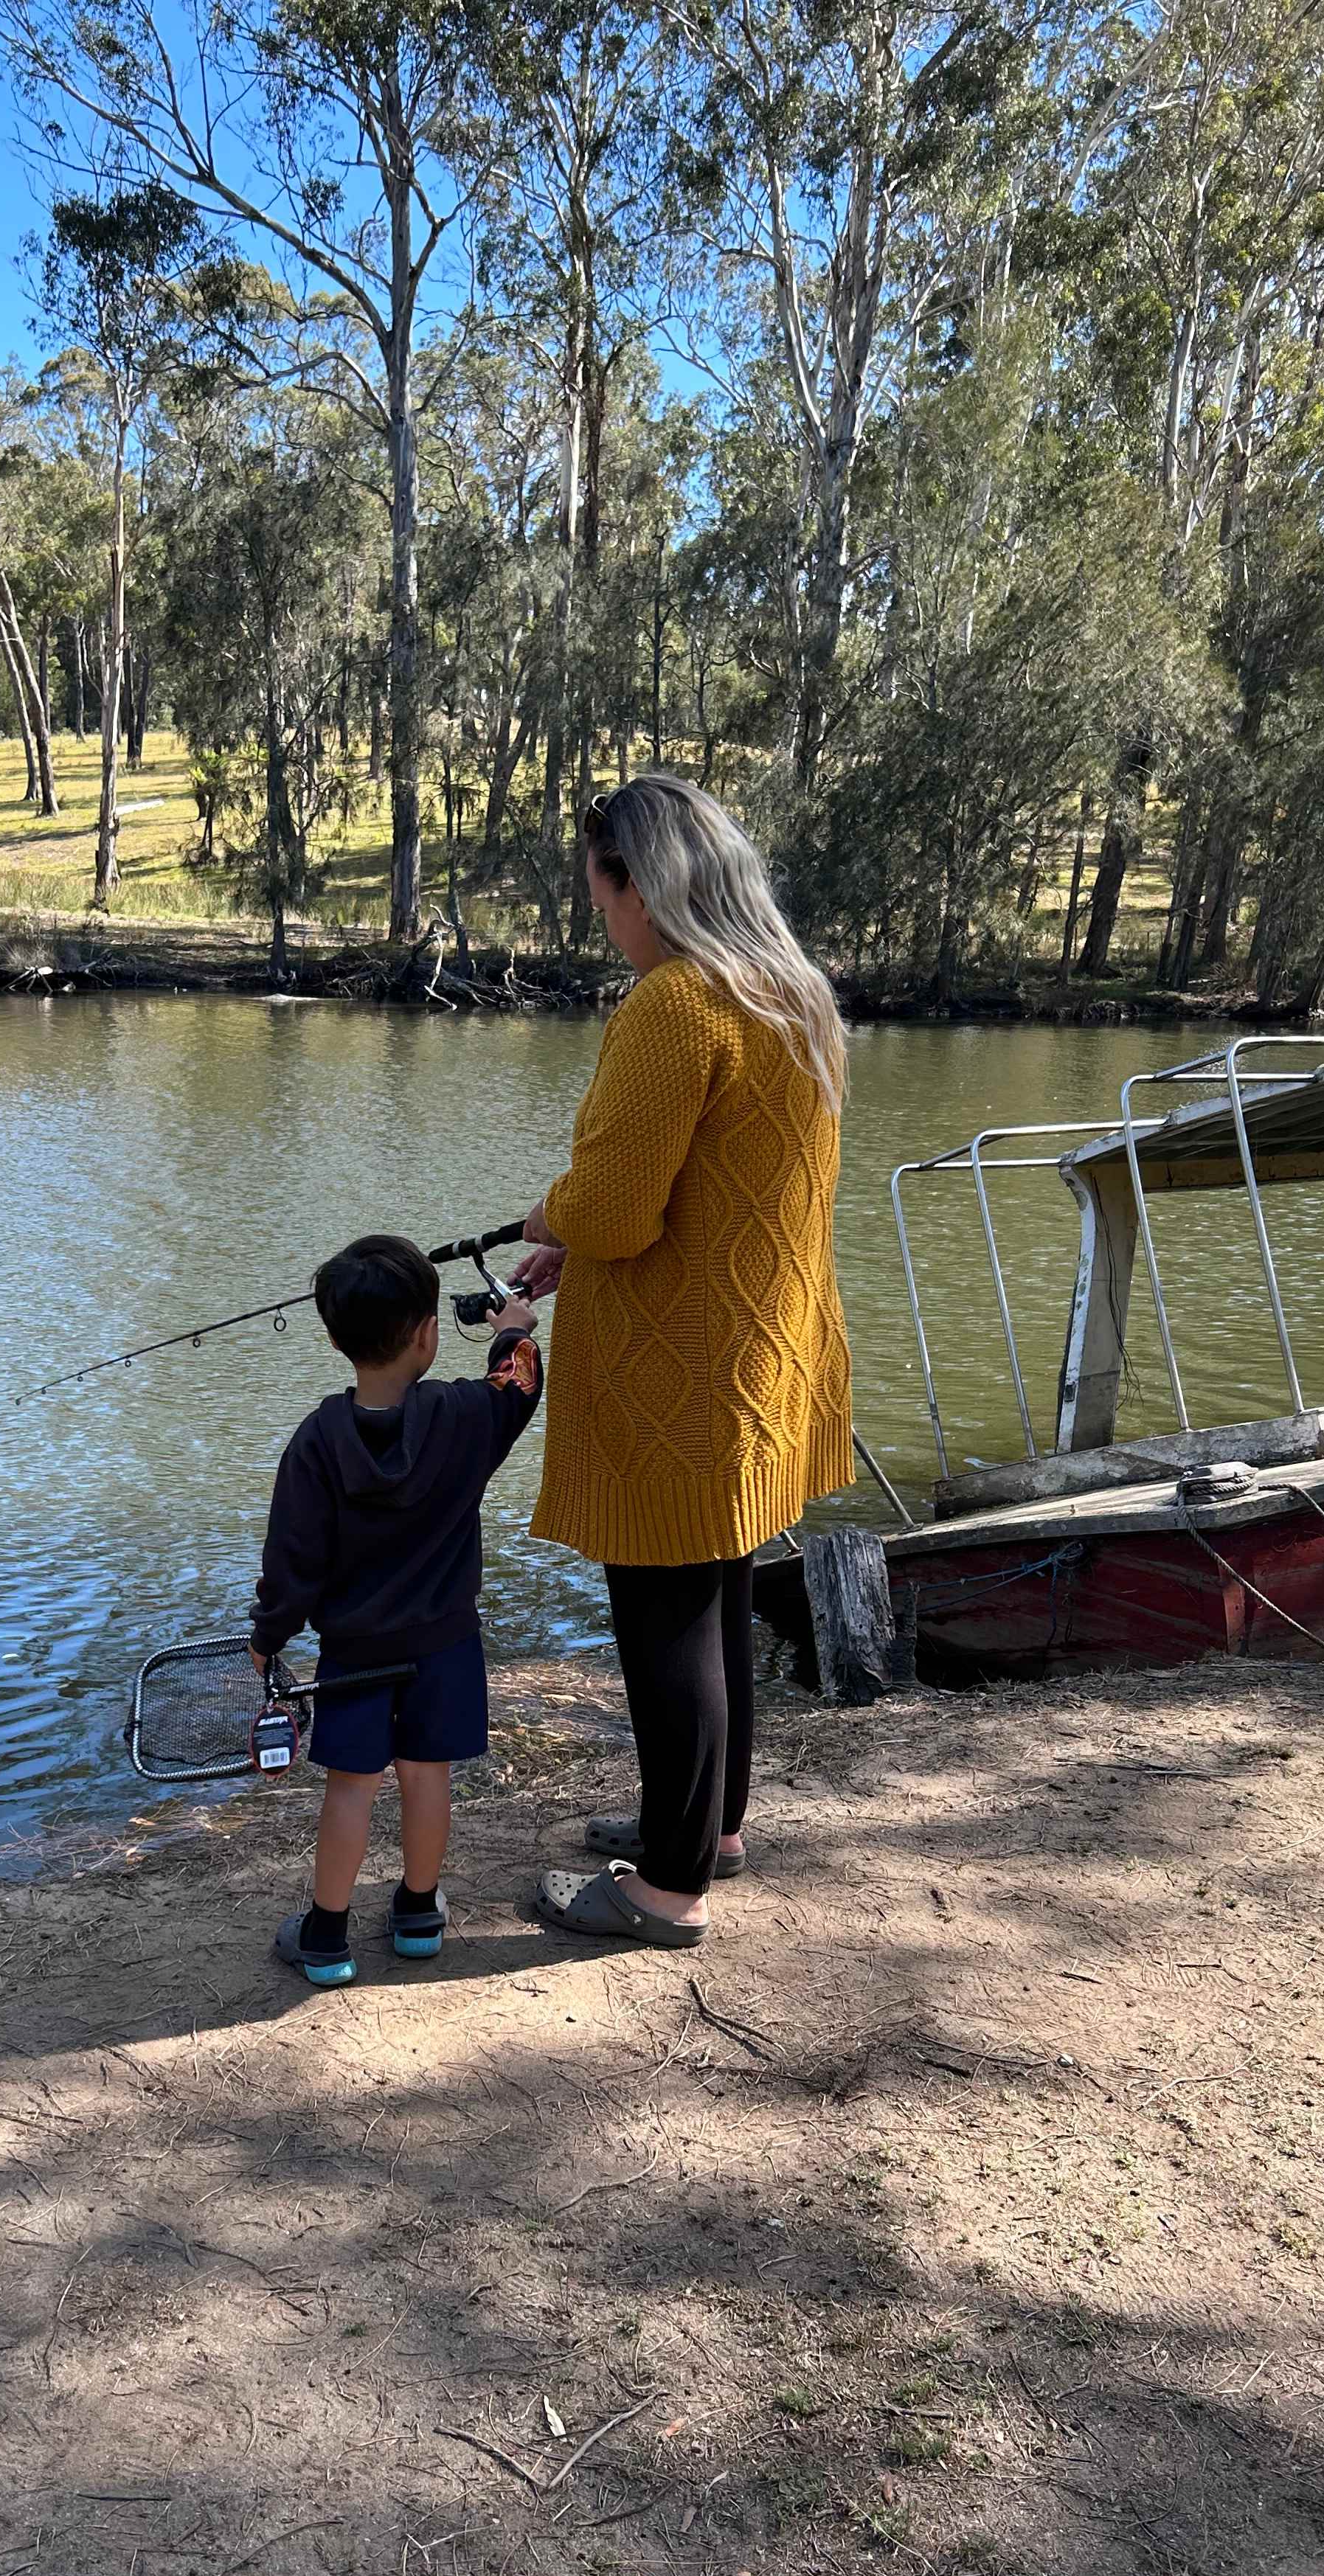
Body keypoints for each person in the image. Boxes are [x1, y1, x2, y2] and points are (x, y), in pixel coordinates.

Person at [511, 774, 853, 1949]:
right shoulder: (794, 998)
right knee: (715, 1592)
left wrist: (549, 1219)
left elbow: (612, 1207)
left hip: (677, 1374)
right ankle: (706, 1829)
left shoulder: (673, 1006)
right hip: (759, 1356)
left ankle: (663, 1889)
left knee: (664, 1615)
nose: (598, 914)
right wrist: (583, 1237)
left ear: (641, 886)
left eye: (600, 889)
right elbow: (712, 1195)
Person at [250, 1232, 542, 1990]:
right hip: (445, 1644)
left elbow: (292, 1561)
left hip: (354, 1651)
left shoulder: (315, 1441)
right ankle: (417, 1916)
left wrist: (268, 1634)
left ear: (335, 1339)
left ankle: (326, 1935)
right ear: (427, 1334)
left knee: (351, 1785)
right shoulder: (465, 1417)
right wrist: (512, 1330)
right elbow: (520, 1385)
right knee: (426, 1774)